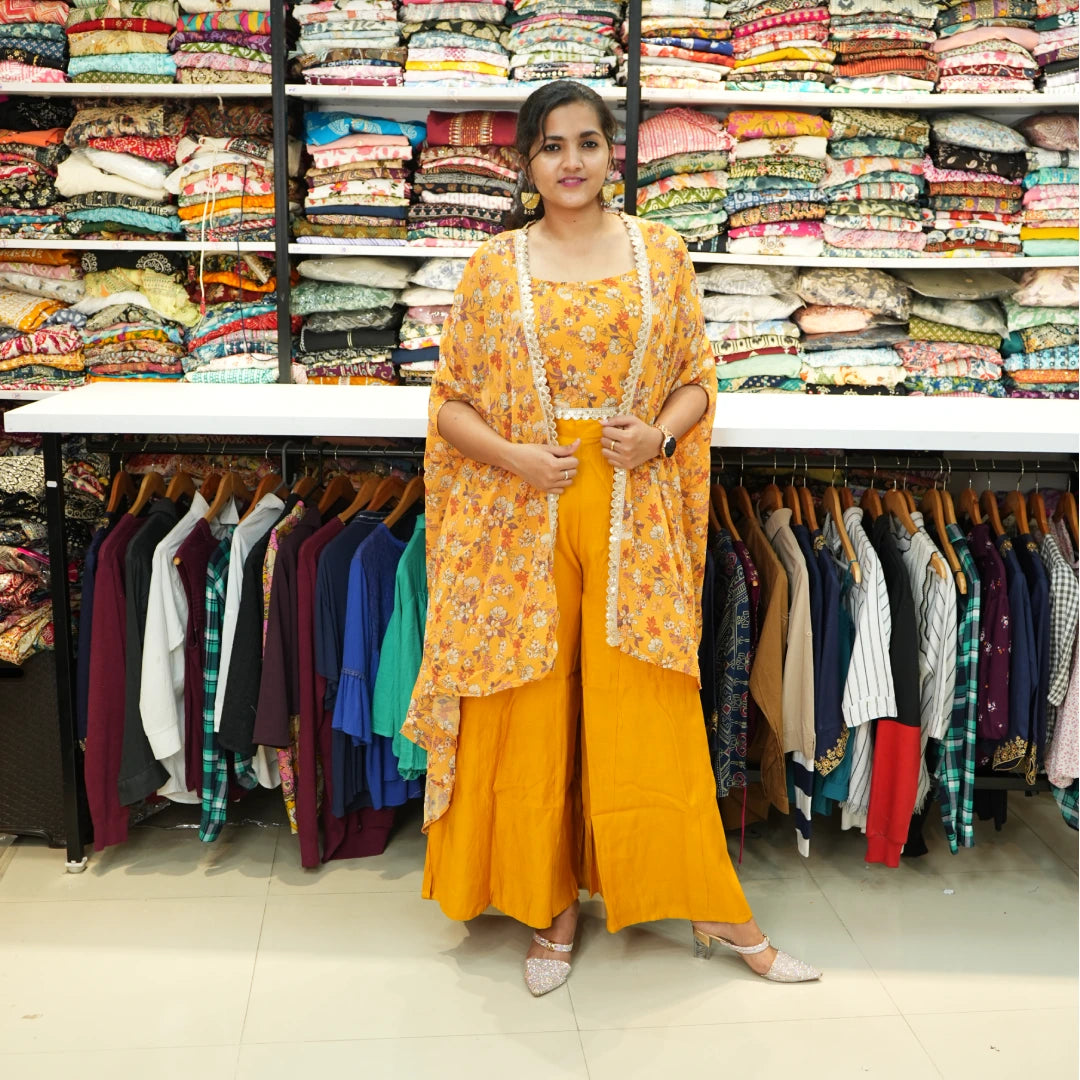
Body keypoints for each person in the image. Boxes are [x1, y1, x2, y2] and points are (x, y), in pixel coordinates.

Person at [401, 80, 821, 996]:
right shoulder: (493, 266)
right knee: (533, 709)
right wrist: (516, 457)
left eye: (588, 142)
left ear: (612, 153)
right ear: (528, 163)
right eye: (552, 146)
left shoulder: (659, 253)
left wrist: (658, 437)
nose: (573, 162)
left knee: (647, 711)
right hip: (522, 520)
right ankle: (550, 909)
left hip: (635, 513)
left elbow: (700, 381)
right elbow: (449, 407)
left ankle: (716, 906)